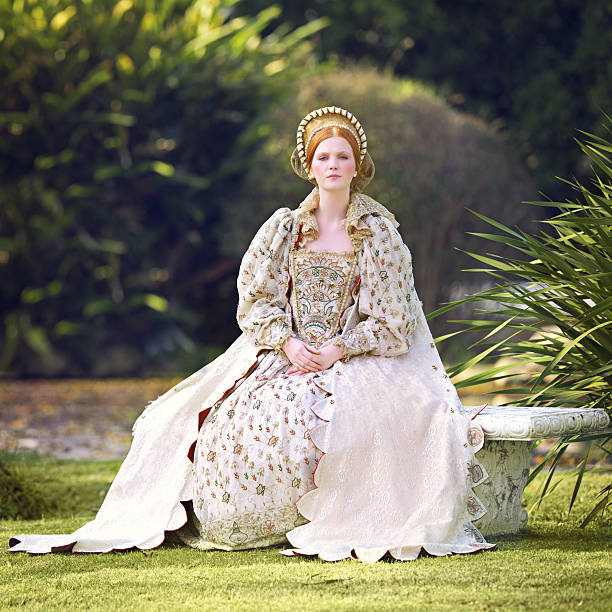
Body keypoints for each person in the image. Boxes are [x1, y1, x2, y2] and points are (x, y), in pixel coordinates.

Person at [9, 106, 495, 562]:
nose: (333, 165)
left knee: (343, 420)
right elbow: (255, 299)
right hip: (287, 350)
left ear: (357, 165)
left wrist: (337, 349)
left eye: (342, 156)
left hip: (353, 356)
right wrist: (287, 342)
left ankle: (312, 512)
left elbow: (393, 322)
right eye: (323, 157)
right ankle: (223, 517)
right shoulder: (285, 229)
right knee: (208, 418)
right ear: (309, 166)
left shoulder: (378, 233)